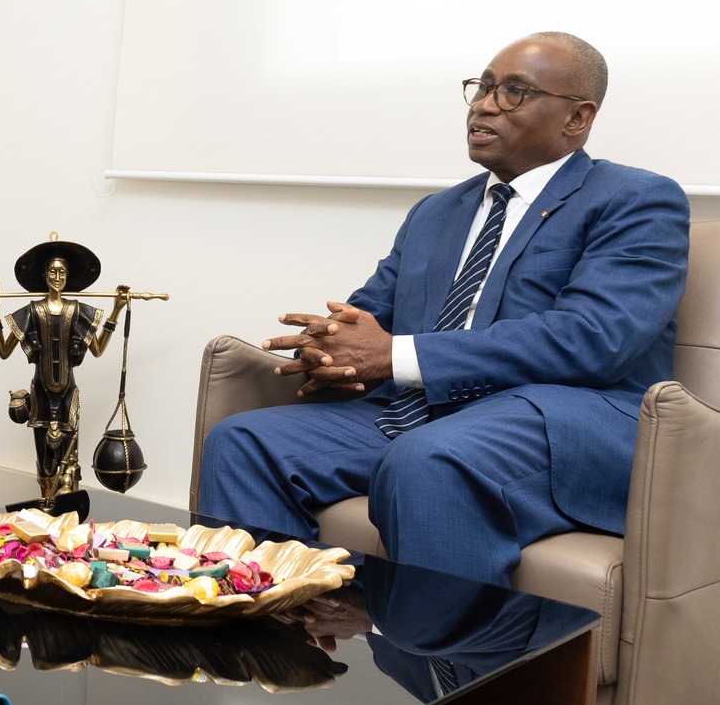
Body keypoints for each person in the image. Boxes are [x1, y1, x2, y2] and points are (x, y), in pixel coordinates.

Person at [196, 31, 690, 589]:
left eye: (514, 92)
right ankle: (280, 638)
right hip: (427, 412)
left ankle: (446, 665)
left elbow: (594, 339)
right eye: (482, 87)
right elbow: (371, 313)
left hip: (560, 417)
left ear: (576, 118)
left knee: (428, 459)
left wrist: (396, 355)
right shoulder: (436, 211)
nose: (483, 104)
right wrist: (332, 346)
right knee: (245, 441)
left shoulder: (635, 199)